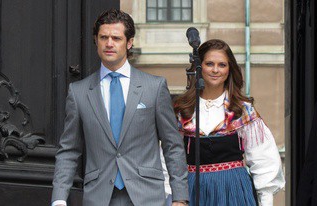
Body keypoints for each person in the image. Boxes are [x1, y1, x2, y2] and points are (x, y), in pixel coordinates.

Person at [51, 9, 189, 206]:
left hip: (147, 196)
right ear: (96, 41)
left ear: (129, 42)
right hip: (99, 196)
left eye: (116, 38)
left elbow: (172, 145)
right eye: (103, 37)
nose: (109, 43)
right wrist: (58, 199)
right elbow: (69, 150)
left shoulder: (154, 87)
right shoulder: (79, 92)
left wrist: (180, 197)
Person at [173, 39, 285, 206]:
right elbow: (171, 157)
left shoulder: (242, 110)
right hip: (193, 190)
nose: (215, 70)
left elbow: (264, 160)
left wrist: (265, 201)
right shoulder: (183, 110)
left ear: (229, 69)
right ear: (199, 67)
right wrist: (174, 196)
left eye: (222, 65)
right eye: (209, 63)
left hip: (233, 190)